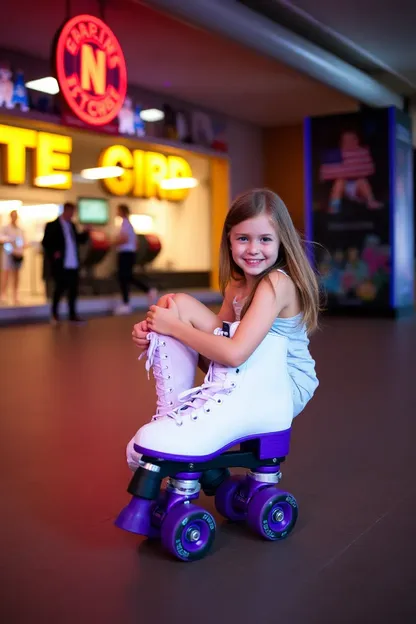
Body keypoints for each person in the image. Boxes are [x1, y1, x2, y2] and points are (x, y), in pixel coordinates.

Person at [127, 188, 320, 469]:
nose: (253, 249)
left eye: (265, 239)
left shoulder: (277, 283)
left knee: (178, 323)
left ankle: (182, 432)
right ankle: (172, 418)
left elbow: (233, 354)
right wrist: (158, 330)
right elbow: (216, 339)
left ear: (282, 242)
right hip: (245, 370)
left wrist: (174, 328)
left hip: (284, 384)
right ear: (229, 240)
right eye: (243, 239)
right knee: (174, 303)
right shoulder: (237, 285)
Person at [42, 202, 90, 325]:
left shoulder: (72, 226)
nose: (72, 215)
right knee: (59, 289)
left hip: (72, 262)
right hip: (60, 264)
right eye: (71, 212)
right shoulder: (53, 225)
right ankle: (54, 314)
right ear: (65, 211)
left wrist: (86, 232)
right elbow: (46, 243)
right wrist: (54, 254)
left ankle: (72, 315)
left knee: (73, 290)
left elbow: (79, 240)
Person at [112, 204, 158, 316]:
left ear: (122, 211)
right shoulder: (130, 225)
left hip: (125, 254)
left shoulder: (125, 224)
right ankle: (147, 291)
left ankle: (127, 303)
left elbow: (124, 239)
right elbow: (136, 243)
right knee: (127, 277)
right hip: (130, 254)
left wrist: (112, 243)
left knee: (124, 278)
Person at [0, 209, 27, 305]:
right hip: (8, 255)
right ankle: (3, 294)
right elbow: (2, 239)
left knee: (16, 275)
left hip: (18, 255)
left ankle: (15, 295)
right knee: (5, 274)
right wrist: (11, 243)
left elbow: (23, 242)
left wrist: (20, 248)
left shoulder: (20, 229)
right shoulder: (5, 228)